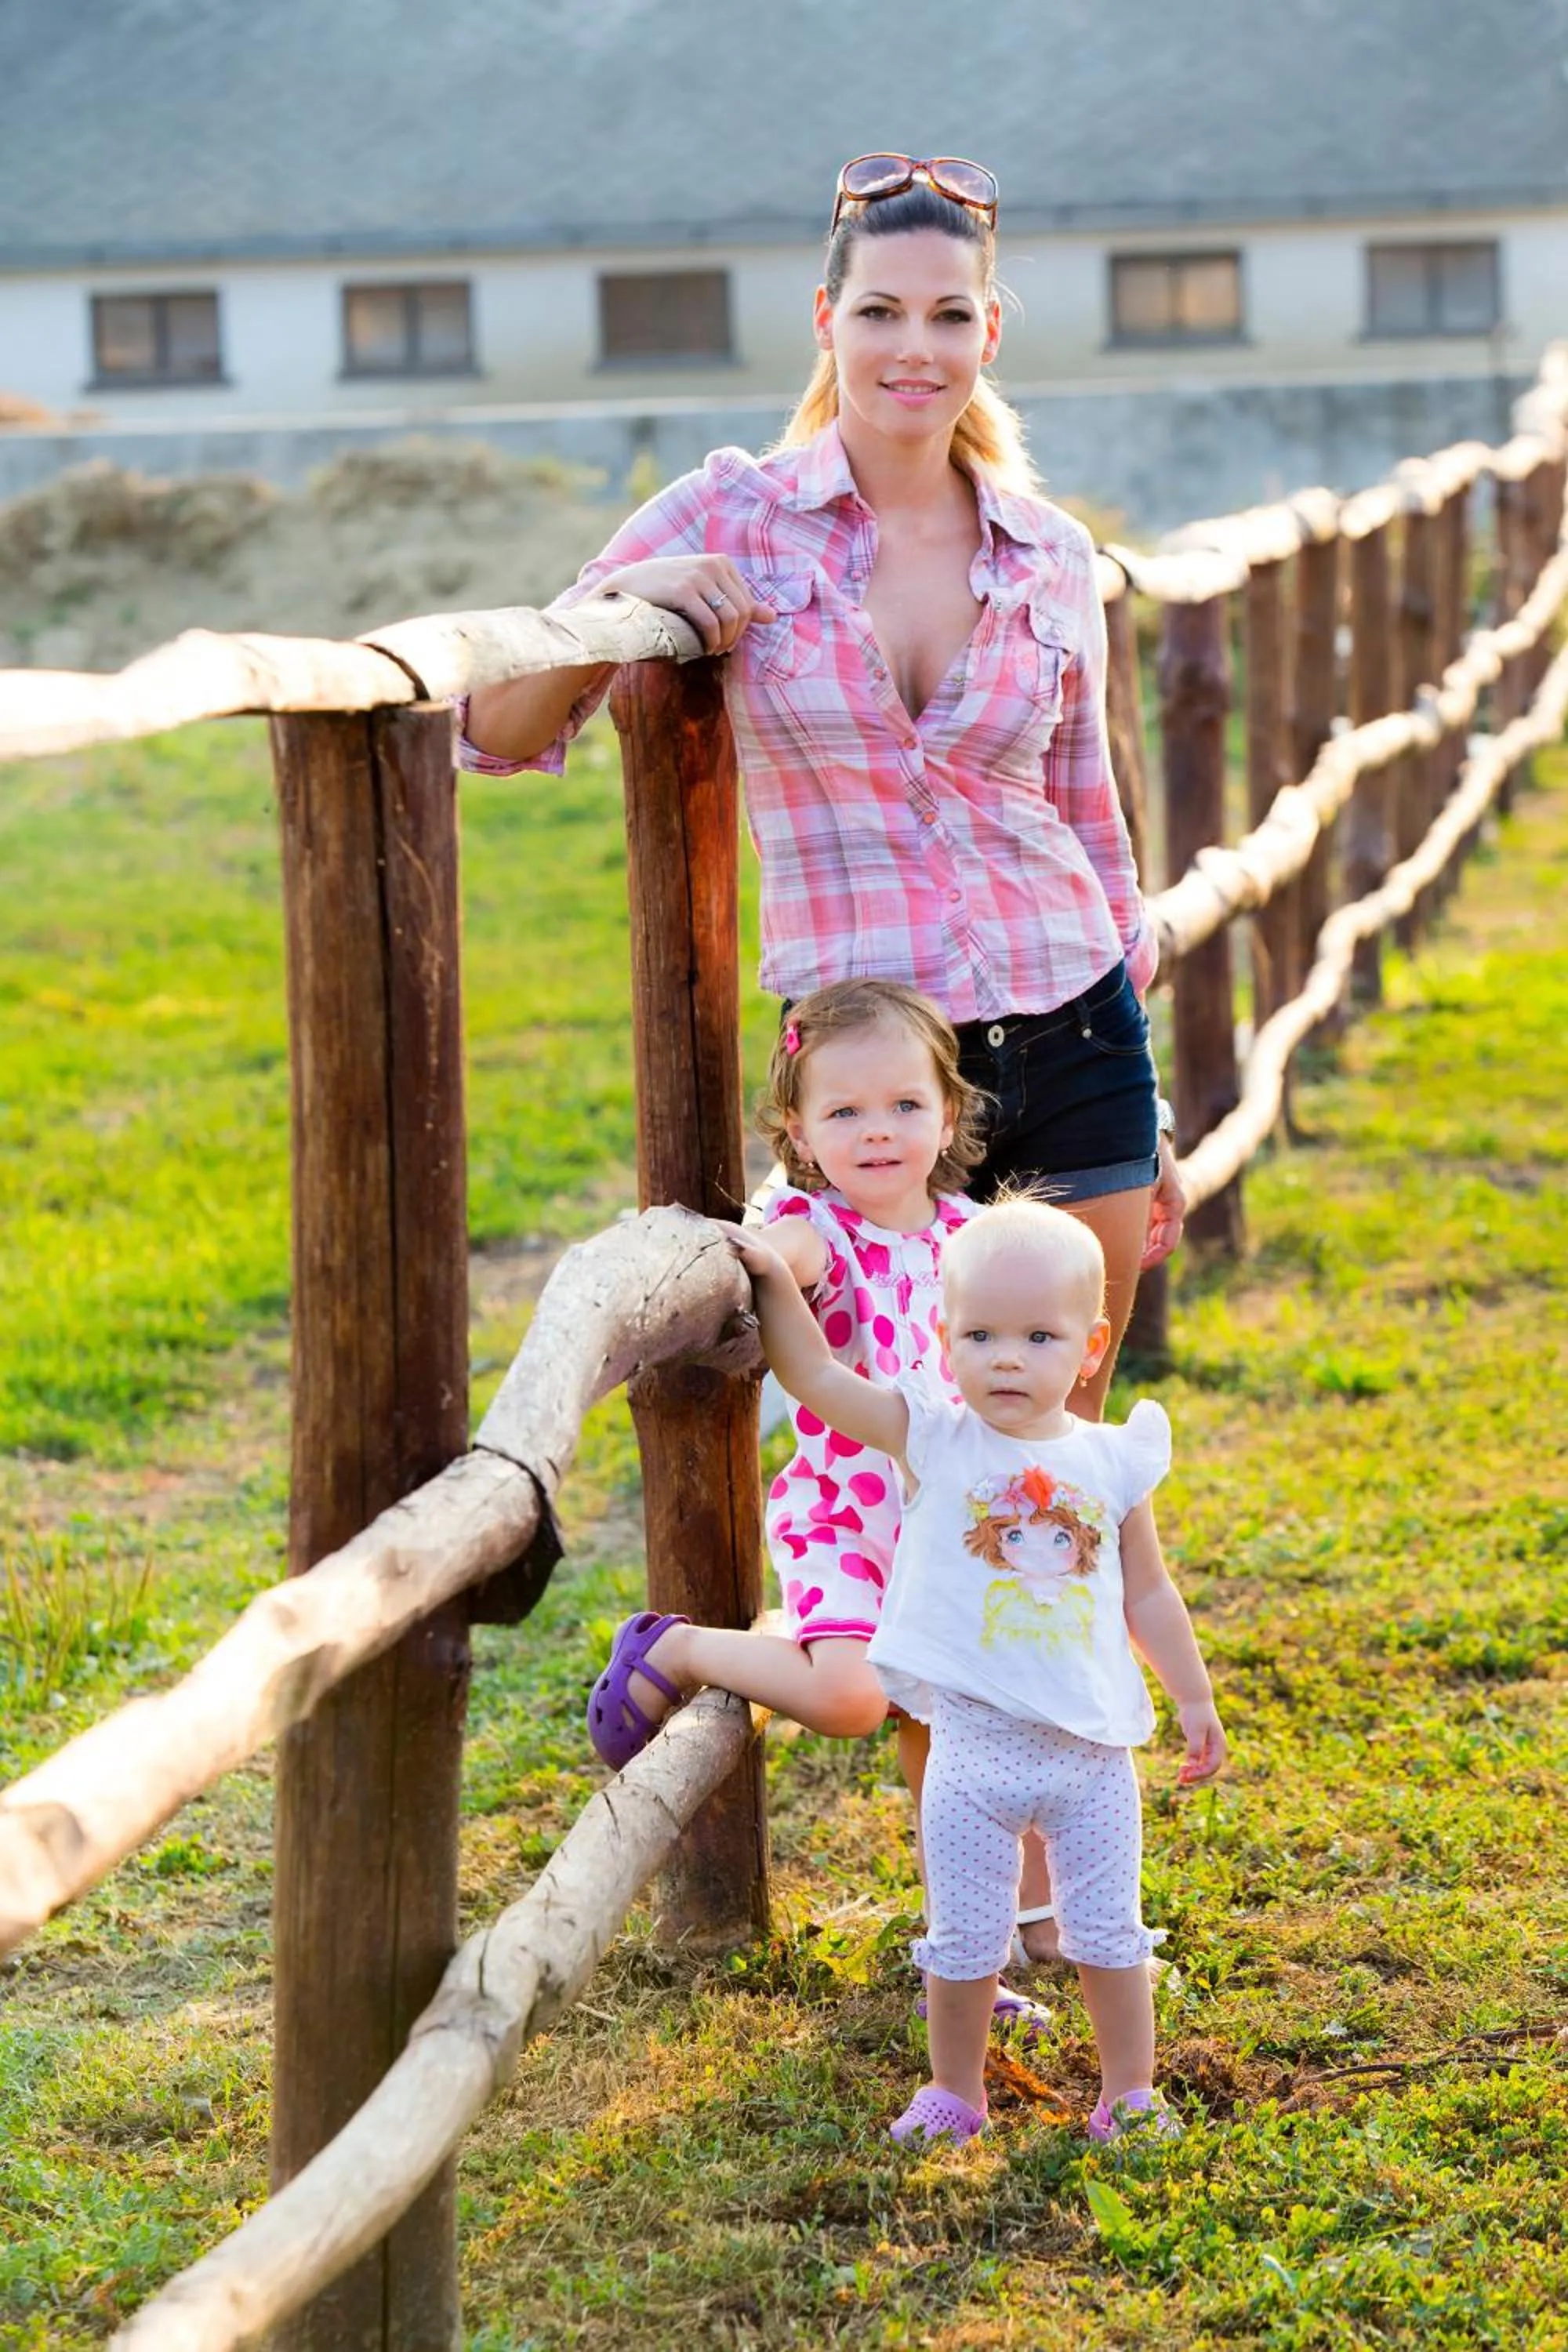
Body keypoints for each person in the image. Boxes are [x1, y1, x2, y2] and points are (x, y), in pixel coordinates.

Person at [466, 151, 1185, 1959]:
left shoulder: (1047, 550)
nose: (913, 346)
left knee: (1037, 1473)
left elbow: (1092, 823)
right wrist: (661, 611)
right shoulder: (735, 516)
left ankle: (1020, 1906)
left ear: (987, 332)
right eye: (880, 310)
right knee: (942, 1471)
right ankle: (990, 1889)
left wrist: (1142, 1093)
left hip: (1072, 1025)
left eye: (948, 316)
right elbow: (499, 719)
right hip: (885, 1086)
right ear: (827, 322)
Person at [586, 979, 1055, 2047]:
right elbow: (780, 1261)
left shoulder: (977, 1235)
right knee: (850, 1699)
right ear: (796, 1128)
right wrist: (753, 1251)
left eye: (902, 1105)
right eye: (843, 1113)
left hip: (956, 1537)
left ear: (948, 1111)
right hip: (850, 1515)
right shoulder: (813, 1227)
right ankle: (685, 1648)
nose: (878, 1131)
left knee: (958, 1748)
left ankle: (965, 1949)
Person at [727, 1195, 1227, 2147]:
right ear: (943, 1337)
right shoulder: (935, 1437)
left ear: (1089, 1347)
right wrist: (765, 1274)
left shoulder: (1112, 1462)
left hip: (1089, 1759)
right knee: (959, 1942)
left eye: (1037, 1336)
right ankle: (955, 2092)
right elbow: (818, 1377)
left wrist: (1191, 1696)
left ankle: (1128, 2091)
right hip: (969, 1754)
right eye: (980, 1334)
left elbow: (1148, 1596)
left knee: (1109, 1936)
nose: (1005, 1356)